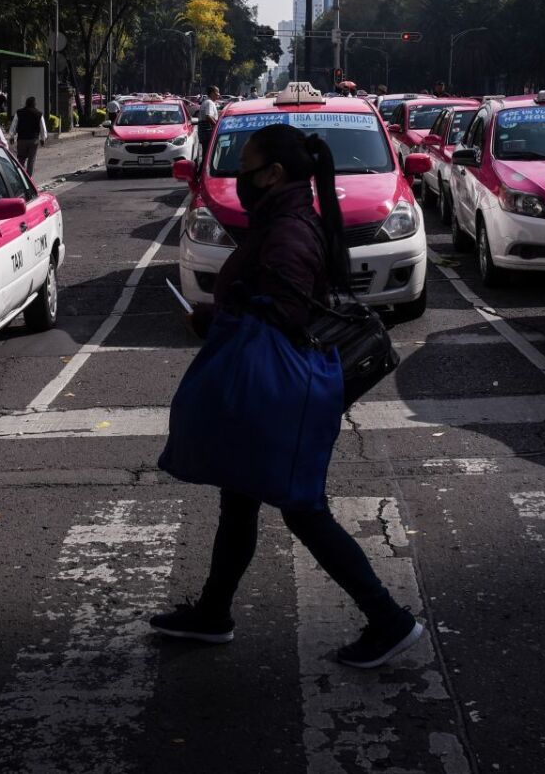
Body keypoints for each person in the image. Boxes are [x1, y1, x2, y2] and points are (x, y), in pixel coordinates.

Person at [150, 123, 424, 669]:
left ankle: (388, 619)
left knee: (303, 509)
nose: (239, 177)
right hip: (271, 386)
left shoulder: (290, 231)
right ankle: (213, 612)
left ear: (273, 174)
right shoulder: (282, 218)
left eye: (246, 166)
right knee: (239, 500)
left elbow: (285, 312)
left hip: (279, 391)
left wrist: (214, 316)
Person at [12, 95, 47, 175]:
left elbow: (14, 125)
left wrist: (11, 136)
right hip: (33, 140)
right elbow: (43, 128)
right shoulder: (38, 114)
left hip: (21, 140)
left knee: (21, 159)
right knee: (31, 160)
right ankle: (29, 178)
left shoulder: (19, 112)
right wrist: (43, 139)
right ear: (34, 104)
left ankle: (21, 176)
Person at [196, 85, 221, 157]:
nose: (219, 94)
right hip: (207, 132)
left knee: (206, 153)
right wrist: (217, 126)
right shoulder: (209, 102)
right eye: (217, 92)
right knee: (208, 153)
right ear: (212, 93)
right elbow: (208, 116)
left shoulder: (208, 102)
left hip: (205, 132)